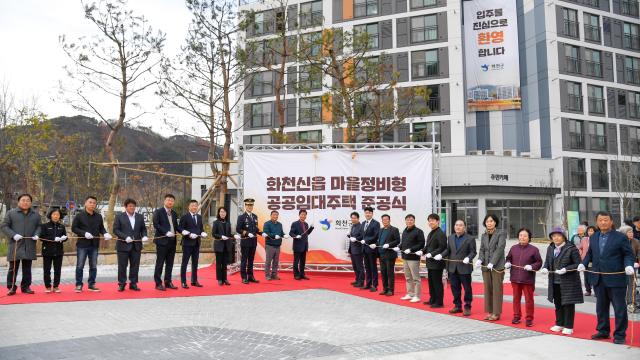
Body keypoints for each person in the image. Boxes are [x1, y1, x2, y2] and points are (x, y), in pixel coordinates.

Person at [579, 211, 635, 345]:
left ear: (611, 221)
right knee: (601, 307)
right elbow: (590, 254)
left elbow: (628, 254)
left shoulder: (620, 237)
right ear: (597, 222)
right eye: (600, 220)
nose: (603, 222)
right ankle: (603, 330)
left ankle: (620, 334)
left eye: (606, 220)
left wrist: (628, 265)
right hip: (598, 277)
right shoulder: (593, 237)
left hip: (616, 278)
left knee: (619, 307)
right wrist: (583, 263)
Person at [540, 227, 584, 335]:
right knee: (558, 303)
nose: (556, 238)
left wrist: (566, 269)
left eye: (558, 235)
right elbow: (547, 261)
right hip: (554, 280)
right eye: (553, 236)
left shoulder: (571, 248)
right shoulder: (550, 248)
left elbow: (578, 263)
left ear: (563, 236)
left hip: (568, 281)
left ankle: (569, 326)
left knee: (568, 304)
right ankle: (559, 323)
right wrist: (545, 268)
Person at [1, 194, 41, 295]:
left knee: (27, 267)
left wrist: (37, 234)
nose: (25, 202)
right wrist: (13, 235)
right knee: (13, 267)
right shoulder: (11, 213)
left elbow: (39, 227)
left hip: (29, 244)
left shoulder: (36, 215)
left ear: (31, 203)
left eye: (28, 200)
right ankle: (11, 287)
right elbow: (4, 226)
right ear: (18, 202)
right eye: (23, 200)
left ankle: (26, 286)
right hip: (15, 244)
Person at [71, 196, 112, 293]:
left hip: (94, 244)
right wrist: (84, 233)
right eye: (90, 202)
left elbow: (101, 228)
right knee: (80, 265)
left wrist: (105, 233)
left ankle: (91, 284)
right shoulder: (79, 216)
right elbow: (74, 228)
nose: (92, 204)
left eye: (94, 203)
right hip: (82, 244)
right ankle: (79, 284)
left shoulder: (98, 216)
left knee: (93, 265)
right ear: (85, 203)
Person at [504, 228, 543, 327]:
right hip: (515, 278)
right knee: (516, 298)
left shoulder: (534, 249)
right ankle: (516, 316)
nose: (522, 237)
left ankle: (529, 318)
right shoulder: (513, 248)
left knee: (529, 299)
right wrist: (508, 263)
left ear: (529, 237)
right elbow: (508, 258)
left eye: (525, 236)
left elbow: (539, 262)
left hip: (527, 279)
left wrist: (532, 267)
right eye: (521, 235)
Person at [439, 219, 476, 316]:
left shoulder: (470, 238)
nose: (458, 227)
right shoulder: (450, 237)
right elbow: (448, 250)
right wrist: (441, 255)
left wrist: (468, 258)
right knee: (455, 288)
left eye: (460, 225)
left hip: (465, 267)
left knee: (467, 288)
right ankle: (457, 306)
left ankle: (467, 306)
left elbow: (473, 252)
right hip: (452, 268)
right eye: (456, 225)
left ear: (464, 227)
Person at [113, 198, 148, 291]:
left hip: (136, 246)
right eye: (130, 206)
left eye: (133, 206)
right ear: (125, 207)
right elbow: (115, 230)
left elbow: (143, 229)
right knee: (122, 266)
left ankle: (133, 283)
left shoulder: (140, 217)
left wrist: (144, 236)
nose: (132, 207)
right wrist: (125, 237)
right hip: (123, 245)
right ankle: (121, 283)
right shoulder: (119, 216)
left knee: (135, 265)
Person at [476, 214, 507, 321]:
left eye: (491, 221)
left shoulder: (501, 233)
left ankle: (496, 312)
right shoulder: (484, 235)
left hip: (497, 266)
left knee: (497, 289)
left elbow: (500, 248)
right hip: (485, 266)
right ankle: (490, 311)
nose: (489, 223)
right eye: (487, 221)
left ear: (495, 222)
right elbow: (482, 249)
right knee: (488, 289)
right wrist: (480, 259)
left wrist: (492, 262)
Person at [152, 194, 182, 291]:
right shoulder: (158, 212)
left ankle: (168, 281)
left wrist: (184, 231)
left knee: (170, 263)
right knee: (160, 263)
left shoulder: (174, 213)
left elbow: (176, 227)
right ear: (164, 201)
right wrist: (166, 232)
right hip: (162, 241)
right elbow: (156, 224)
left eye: (172, 200)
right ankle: (158, 283)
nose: (170, 202)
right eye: (168, 200)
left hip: (172, 241)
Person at [179, 200, 207, 288]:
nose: (194, 207)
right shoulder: (184, 216)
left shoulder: (199, 217)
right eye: (192, 205)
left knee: (195, 263)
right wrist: (188, 233)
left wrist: (202, 233)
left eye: (196, 205)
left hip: (196, 243)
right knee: (185, 263)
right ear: (189, 207)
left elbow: (200, 228)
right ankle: (183, 282)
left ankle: (194, 281)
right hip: (187, 243)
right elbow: (180, 228)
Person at [422, 213, 447, 308]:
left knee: (437, 283)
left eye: (433, 220)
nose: (431, 222)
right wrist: (422, 251)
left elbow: (442, 247)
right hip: (430, 262)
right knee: (431, 282)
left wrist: (431, 254)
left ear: (438, 221)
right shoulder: (431, 232)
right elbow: (427, 246)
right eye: (429, 220)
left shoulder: (440, 233)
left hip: (437, 262)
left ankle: (439, 302)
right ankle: (432, 299)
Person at [40, 208, 68, 293]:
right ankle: (48, 286)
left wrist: (64, 238)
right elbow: (42, 237)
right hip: (47, 251)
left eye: (58, 215)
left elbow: (65, 237)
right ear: (50, 215)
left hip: (59, 251)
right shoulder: (45, 226)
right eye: (54, 214)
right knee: (47, 269)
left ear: (60, 216)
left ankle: (56, 286)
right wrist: (53, 238)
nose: (56, 216)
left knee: (57, 270)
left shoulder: (62, 226)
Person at [399, 214, 425, 303]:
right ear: (405, 221)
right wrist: (398, 247)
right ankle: (410, 294)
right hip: (405, 257)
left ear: (414, 221)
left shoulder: (418, 231)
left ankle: (417, 296)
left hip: (413, 258)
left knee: (416, 278)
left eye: (411, 220)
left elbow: (421, 244)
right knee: (408, 277)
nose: (409, 221)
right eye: (408, 220)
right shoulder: (405, 231)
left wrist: (411, 249)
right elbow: (403, 243)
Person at [235, 198, 259, 284]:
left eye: (251, 205)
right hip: (245, 242)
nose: (250, 206)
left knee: (251, 260)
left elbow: (255, 229)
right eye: (248, 205)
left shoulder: (255, 216)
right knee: (244, 260)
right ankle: (244, 277)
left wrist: (261, 233)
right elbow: (238, 229)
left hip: (253, 242)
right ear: (245, 206)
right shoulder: (241, 217)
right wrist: (247, 233)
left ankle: (251, 276)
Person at [376, 214, 400, 296]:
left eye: (386, 219)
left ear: (389, 220)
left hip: (390, 255)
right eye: (383, 219)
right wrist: (374, 244)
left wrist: (389, 245)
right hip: (381, 254)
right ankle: (385, 289)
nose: (385, 221)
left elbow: (397, 241)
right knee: (383, 272)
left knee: (390, 273)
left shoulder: (394, 229)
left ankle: (391, 290)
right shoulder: (380, 230)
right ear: (382, 221)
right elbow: (379, 241)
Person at [618, 225, 640, 310]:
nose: (632, 233)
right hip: (620, 267)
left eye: (632, 231)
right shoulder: (619, 241)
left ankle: (631, 302)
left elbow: (639, 252)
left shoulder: (636, 241)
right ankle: (621, 301)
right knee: (622, 284)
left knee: (632, 284)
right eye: (629, 232)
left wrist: (637, 262)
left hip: (632, 266)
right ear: (624, 233)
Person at [289, 209, 314, 280]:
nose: (303, 216)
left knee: (303, 261)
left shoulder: (306, 224)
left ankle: (302, 274)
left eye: (304, 215)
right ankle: (296, 275)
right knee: (296, 261)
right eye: (302, 214)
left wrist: (311, 228)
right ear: (299, 215)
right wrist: (296, 236)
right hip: (297, 245)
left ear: (306, 216)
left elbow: (306, 233)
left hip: (304, 245)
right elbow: (291, 233)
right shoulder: (295, 223)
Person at [361, 207, 381, 292]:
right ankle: (368, 284)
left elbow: (376, 235)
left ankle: (375, 285)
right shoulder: (363, 223)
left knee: (373, 268)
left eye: (369, 213)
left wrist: (366, 240)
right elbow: (362, 235)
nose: (367, 214)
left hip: (372, 249)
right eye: (366, 213)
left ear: (372, 214)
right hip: (364, 249)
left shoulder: (376, 223)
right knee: (367, 267)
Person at [212, 206, 233, 286]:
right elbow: (213, 234)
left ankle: (225, 279)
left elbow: (229, 234)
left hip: (226, 245)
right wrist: (221, 236)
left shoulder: (228, 223)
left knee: (225, 264)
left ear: (226, 213)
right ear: (219, 213)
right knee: (219, 263)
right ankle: (220, 279)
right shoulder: (216, 222)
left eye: (224, 212)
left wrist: (234, 236)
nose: (222, 213)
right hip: (219, 245)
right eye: (221, 212)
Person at [263, 210, 284, 281]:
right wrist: (275, 235)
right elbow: (266, 233)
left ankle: (274, 275)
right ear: (271, 215)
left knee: (276, 261)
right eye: (274, 215)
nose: (275, 216)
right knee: (268, 261)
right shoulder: (267, 224)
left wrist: (284, 235)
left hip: (278, 245)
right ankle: (267, 275)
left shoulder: (280, 224)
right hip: (270, 245)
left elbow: (281, 233)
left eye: (276, 215)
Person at [347, 211, 365, 287]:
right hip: (352, 250)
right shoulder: (352, 226)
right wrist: (349, 235)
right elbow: (352, 237)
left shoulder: (361, 226)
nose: (353, 219)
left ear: (358, 218)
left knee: (359, 266)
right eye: (352, 218)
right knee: (355, 266)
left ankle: (361, 282)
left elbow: (362, 236)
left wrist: (356, 238)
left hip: (358, 250)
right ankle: (357, 279)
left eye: (354, 218)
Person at [579, 226, 596, 296]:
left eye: (592, 231)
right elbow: (580, 248)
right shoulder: (584, 239)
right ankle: (588, 290)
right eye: (589, 231)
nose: (590, 232)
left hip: (594, 260)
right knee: (586, 276)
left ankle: (596, 290)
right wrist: (581, 254)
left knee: (594, 275)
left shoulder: (597, 239)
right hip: (585, 260)